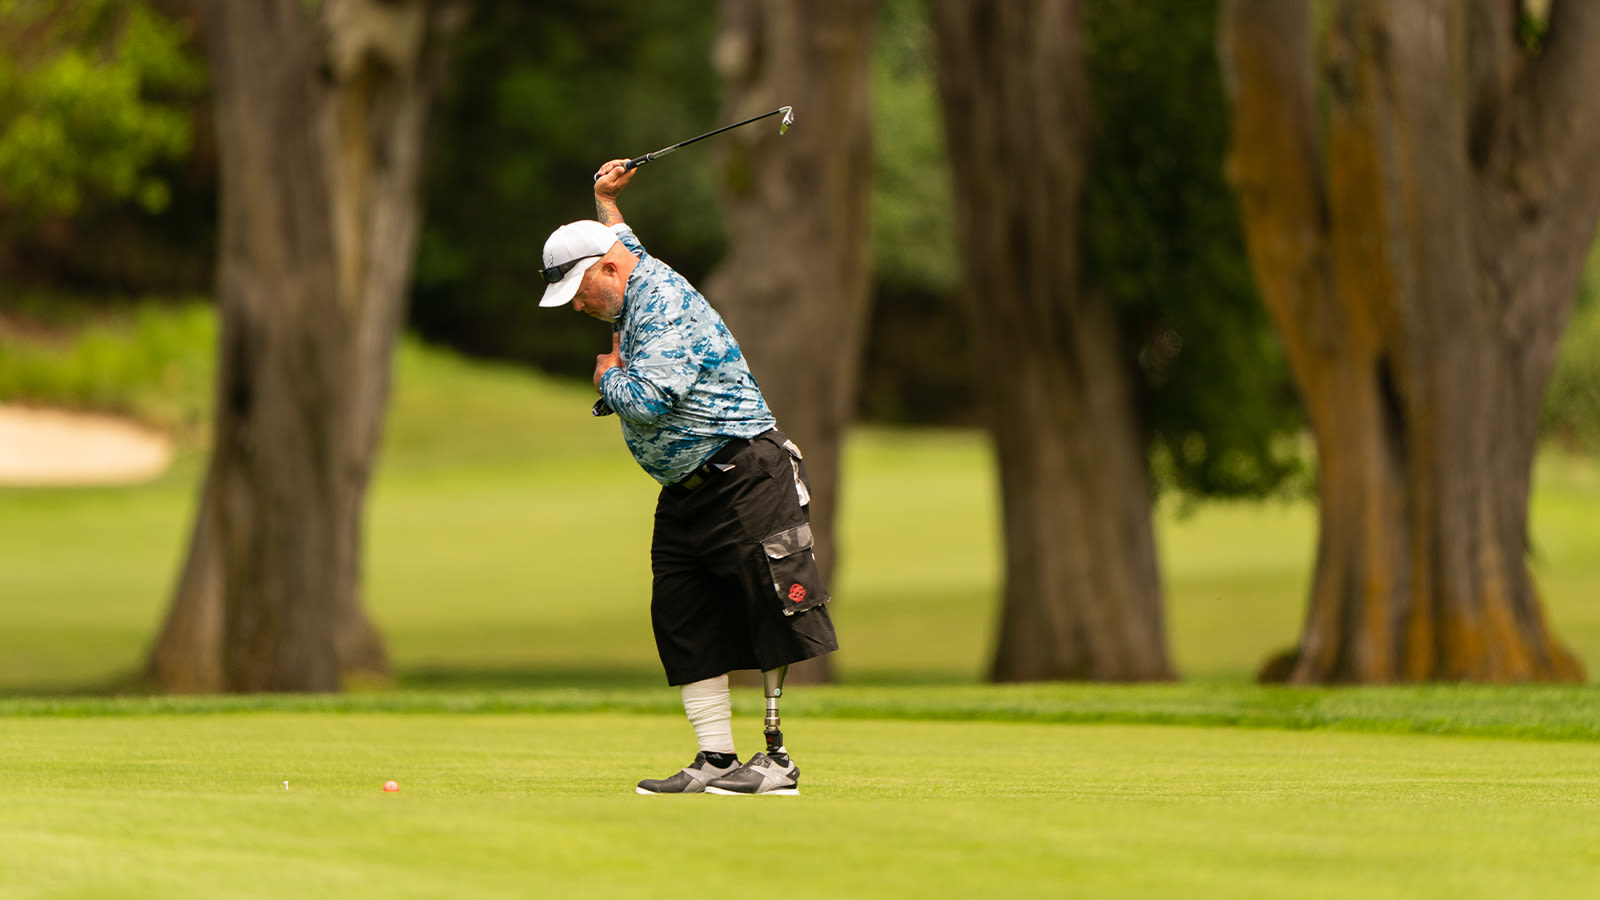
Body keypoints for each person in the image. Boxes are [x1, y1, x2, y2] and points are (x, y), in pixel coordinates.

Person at [538, 158, 838, 796]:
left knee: (767, 609)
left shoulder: (663, 303)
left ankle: (776, 760)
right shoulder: (629, 271)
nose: (580, 306)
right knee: (684, 615)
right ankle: (716, 761)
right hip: (688, 492)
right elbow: (625, 239)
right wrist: (604, 201)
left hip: (745, 473)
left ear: (609, 268)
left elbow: (650, 399)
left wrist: (605, 379)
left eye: (581, 291)